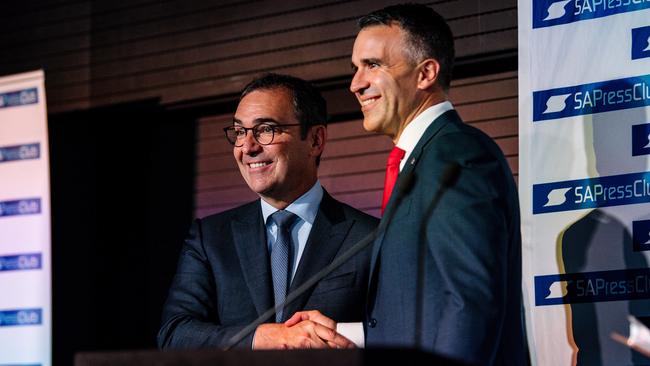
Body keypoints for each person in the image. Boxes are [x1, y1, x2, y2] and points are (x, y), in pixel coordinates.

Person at [289, 4, 526, 365]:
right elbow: (428, 309)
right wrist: (345, 332)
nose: (356, 84)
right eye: (355, 68)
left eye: (373, 65)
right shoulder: (423, 158)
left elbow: (469, 302)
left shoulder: (457, 155)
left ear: (426, 73)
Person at [157, 73, 378, 350]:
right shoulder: (210, 237)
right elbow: (175, 334)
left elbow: (396, 329)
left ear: (315, 140)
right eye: (240, 132)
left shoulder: (369, 237)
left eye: (266, 129)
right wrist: (263, 338)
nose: (247, 147)